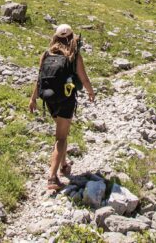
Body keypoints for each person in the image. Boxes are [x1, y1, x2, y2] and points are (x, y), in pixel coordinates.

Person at [29, 24, 95, 191]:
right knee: (61, 138)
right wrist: (91, 92)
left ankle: (64, 165)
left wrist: (33, 99)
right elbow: (84, 79)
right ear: (72, 38)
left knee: (60, 133)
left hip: (49, 99)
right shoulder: (74, 56)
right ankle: (52, 177)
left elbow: (39, 79)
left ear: (55, 38)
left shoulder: (46, 55)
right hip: (66, 99)